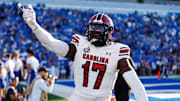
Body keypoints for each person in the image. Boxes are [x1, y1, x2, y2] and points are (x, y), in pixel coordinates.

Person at [20, 4, 148, 101]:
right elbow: (51, 43)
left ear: (109, 32)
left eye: (99, 28)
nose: (95, 31)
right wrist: (34, 26)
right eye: (93, 27)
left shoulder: (117, 52)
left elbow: (135, 84)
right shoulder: (80, 46)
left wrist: (35, 26)